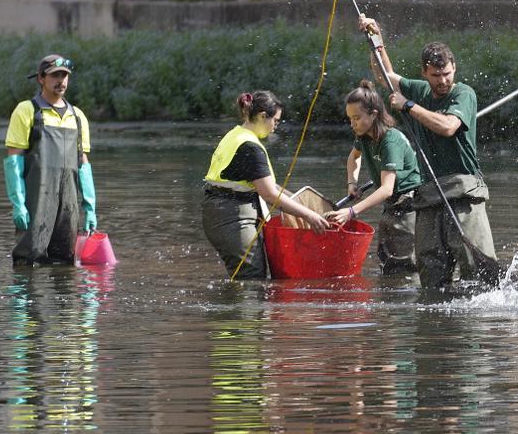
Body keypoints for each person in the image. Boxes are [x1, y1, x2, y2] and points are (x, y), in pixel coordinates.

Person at [358, 15, 497, 288]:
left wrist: (408, 106)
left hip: (463, 191)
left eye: (447, 73)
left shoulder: (463, 94)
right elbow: (385, 77)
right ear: (424, 73)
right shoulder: (421, 90)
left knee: (479, 271)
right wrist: (376, 39)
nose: (443, 80)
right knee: (430, 272)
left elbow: (447, 127)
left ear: (454, 68)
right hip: (429, 193)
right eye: (436, 75)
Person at [202, 91, 330, 279]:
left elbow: (267, 185)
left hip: (217, 212)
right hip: (232, 218)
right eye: (276, 121)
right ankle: (238, 309)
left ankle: (232, 305)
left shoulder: (236, 135)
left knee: (245, 277)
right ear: (263, 116)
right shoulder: (251, 147)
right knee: (251, 278)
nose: (275, 127)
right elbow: (269, 194)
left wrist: (297, 200)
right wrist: (308, 214)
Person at [3, 54, 97, 266]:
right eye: (55, 75)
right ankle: (23, 299)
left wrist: (90, 207)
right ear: (41, 79)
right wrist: (18, 204)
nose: (61, 81)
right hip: (36, 204)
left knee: (65, 265)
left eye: (64, 76)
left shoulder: (78, 117)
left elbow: (83, 164)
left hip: (68, 207)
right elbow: (13, 162)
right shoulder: (26, 111)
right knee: (27, 263)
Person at [325, 80, 423, 275]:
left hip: (409, 205)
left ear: (374, 114)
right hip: (391, 204)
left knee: (405, 265)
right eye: (350, 118)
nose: (352, 123)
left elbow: (387, 188)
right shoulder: (363, 135)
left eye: (357, 118)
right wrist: (352, 182)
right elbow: (353, 157)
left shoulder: (390, 140)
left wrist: (351, 212)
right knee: (387, 260)